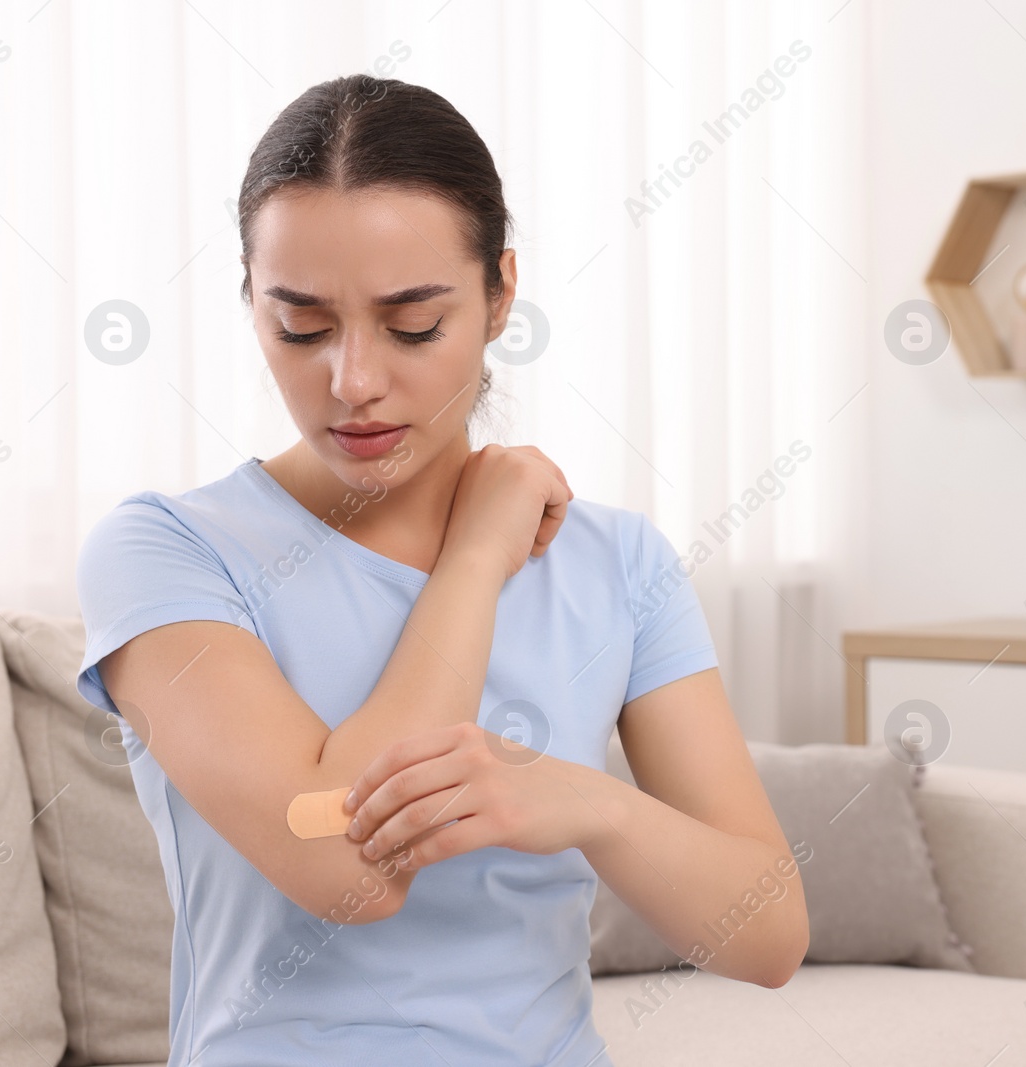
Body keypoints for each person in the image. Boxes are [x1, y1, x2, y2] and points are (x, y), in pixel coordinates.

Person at [74, 73, 807, 1067]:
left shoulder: (617, 562)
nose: (355, 382)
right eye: (301, 326)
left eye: (413, 325)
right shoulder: (165, 551)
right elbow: (345, 870)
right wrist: (475, 554)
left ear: (501, 294)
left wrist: (589, 802)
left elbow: (768, 933)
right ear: (251, 300)